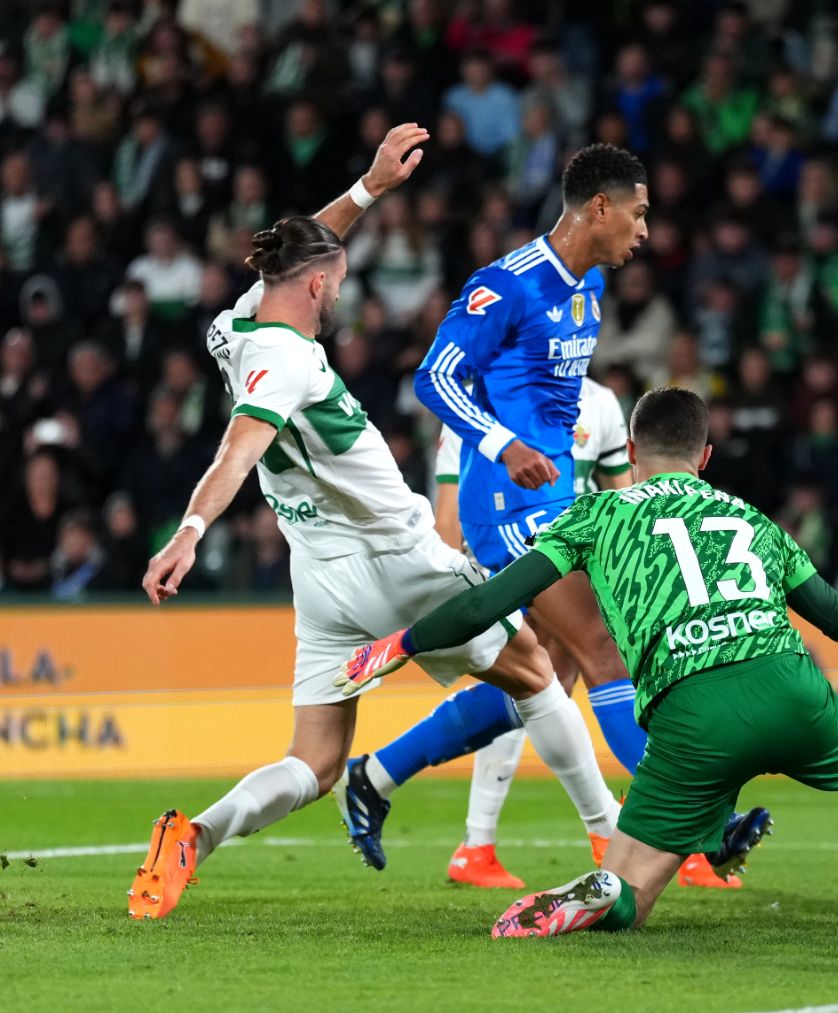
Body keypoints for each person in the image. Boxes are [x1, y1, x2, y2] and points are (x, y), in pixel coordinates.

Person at [336, 386, 838, 937]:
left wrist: (401, 645)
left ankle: (607, 894)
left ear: (629, 454)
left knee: (633, 888)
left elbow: (490, 601)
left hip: (691, 718)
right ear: (705, 454)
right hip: (789, 686)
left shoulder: (595, 513)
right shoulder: (749, 519)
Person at [128, 126, 622, 921]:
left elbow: (298, 255)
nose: (341, 296)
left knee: (315, 761)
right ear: (320, 289)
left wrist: (367, 189)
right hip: (397, 558)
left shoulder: (235, 327)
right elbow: (235, 449)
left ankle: (195, 835)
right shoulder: (290, 363)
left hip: (319, 578)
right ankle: (613, 844)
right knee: (536, 671)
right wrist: (190, 528)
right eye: (341, 283)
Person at [339, 143, 757, 890]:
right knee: (605, 649)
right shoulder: (509, 284)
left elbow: (556, 412)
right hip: (505, 501)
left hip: (553, 500)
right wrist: (502, 446)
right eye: (639, 211)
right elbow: (432, 378)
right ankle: (700, 825)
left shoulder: (588, 288)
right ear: (599, 206)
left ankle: (377, 772)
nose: (644, 229)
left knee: (545, 680)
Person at [427, 376, 633, 889]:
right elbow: (448, 512)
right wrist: (456, 581)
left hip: (579, 569)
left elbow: (621, 498)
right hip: (515, 567)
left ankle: (474, 843)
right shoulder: (474, 403)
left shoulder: (601, 402)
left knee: (537, 694)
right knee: (573, 677)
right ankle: (673, 828)